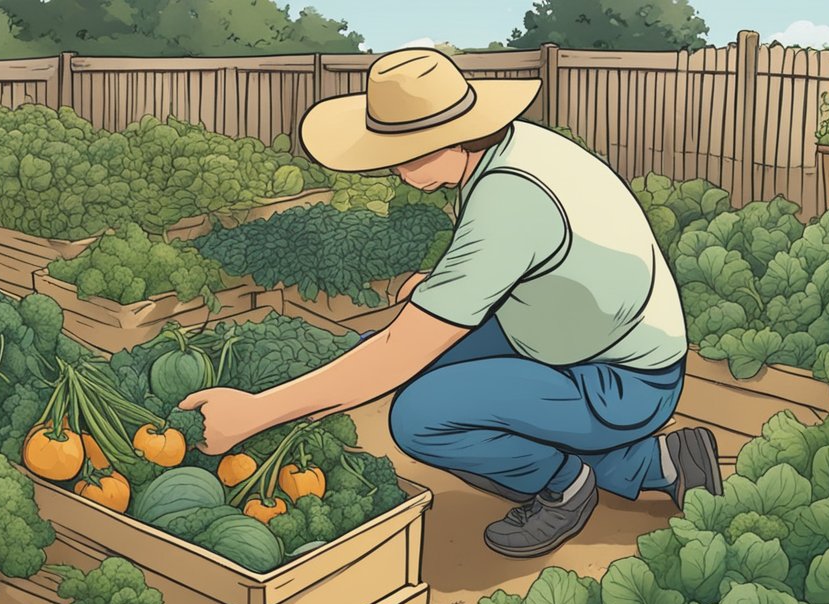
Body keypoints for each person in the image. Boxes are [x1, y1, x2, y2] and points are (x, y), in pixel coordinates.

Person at [178, 48, 724, 558]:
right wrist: (445, 285)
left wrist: (256, 413)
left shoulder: (510, 197)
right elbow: (537, 257)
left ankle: (566, 485)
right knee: (403, 364)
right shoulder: (516, 151)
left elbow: (398, 351)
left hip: (620, 381)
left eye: (401, 155)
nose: (393, 168)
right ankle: (665, 463)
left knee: (422, 416)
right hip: (562, 333)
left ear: (452, 138)